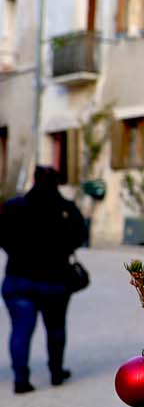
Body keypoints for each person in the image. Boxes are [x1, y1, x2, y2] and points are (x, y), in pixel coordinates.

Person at [1, 166, 87, 394]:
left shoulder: (14, 207)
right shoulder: (65, 209)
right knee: (56, 329)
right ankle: (56, 372)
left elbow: (3, 237)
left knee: (20, 331)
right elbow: (80, 237)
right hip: (55, 281)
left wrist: (18, 252)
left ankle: (21, 379)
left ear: (34, 179)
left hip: (19, 279)